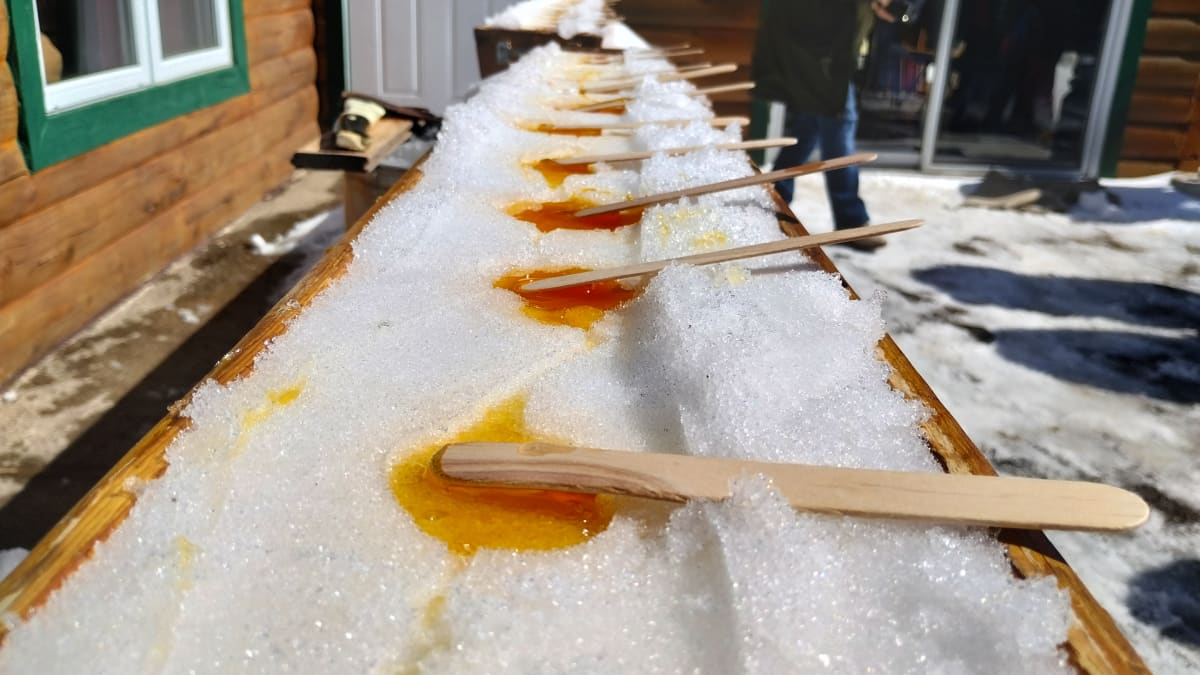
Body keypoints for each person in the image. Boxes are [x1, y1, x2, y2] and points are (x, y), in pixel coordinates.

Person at [753, 0, 916, 250]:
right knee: (839, 127)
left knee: (809, 128)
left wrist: (893, 7)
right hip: (824, 59)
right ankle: (850, 220)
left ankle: (775, 196)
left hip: (826, 57)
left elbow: (892, 12)